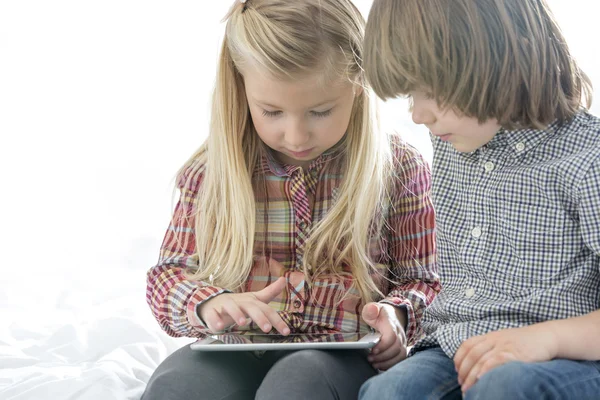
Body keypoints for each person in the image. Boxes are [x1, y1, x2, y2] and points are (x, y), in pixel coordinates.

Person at [142, 0, 440, 399]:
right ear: (241, 90)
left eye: (320, 111)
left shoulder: (399, 167)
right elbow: (168, 276)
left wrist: (399, 313)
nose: (296, 136)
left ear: (358, 86)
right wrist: (208, 305)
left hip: (343, 354)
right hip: (239, 348)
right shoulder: (213, 172)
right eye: (272, 112)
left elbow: (426, 279)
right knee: (178, 386)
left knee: (298, 383)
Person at [359, 0, 600, 399]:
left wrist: (548, 339)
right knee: (389, 392)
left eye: (432, 91)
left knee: (507, 387)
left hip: (567, 357)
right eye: (411, 96)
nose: (419, 114)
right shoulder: (454, 143)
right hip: (456, 347)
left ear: (505, 60)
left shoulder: (588, 159)